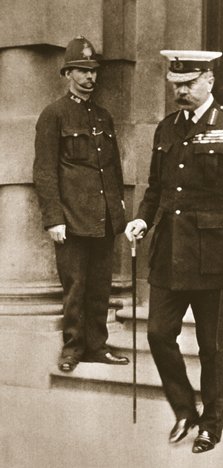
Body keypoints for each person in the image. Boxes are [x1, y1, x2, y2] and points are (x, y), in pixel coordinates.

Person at [125, 50, 223, 453]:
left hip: (214, 258)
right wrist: (142, 218)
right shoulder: (166, 129)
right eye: (176, 86)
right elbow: (156, 188)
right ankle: (184, 410)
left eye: (188, 84)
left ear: (209, 79)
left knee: (211, 347)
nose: (181, 92)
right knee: (158, 334)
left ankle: (212, 423)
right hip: (169, 252)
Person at [33, 36, 129, 372]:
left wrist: (117, 212)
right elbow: (44, 172)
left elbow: (113, 168)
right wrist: (53, 218)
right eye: (82, 71)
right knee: (75, 286)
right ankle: (73, 348)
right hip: (71, 219)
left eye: (93, 71)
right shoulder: (54, 115)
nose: (90, 77)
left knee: (100, 286)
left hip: (102, 218)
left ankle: (97, 346)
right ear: (67, 73)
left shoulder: (103, 116)